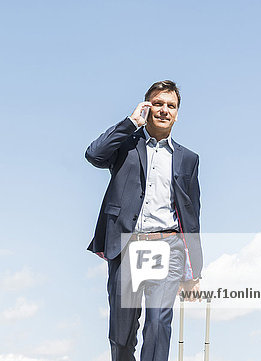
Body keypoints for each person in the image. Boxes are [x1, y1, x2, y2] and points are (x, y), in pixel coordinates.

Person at [85, 80, 202, 361]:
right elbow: (93, 155)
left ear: (177, 112)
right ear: (147, 107)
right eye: (158, 104)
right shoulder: (125, 146)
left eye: (171, 106)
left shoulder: (188, 159)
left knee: (159, 325)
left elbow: (192, 215)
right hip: (127, 247)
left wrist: (193, 270)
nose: (164, 110)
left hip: (167, 246)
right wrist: (130, 123)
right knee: (122, 335)